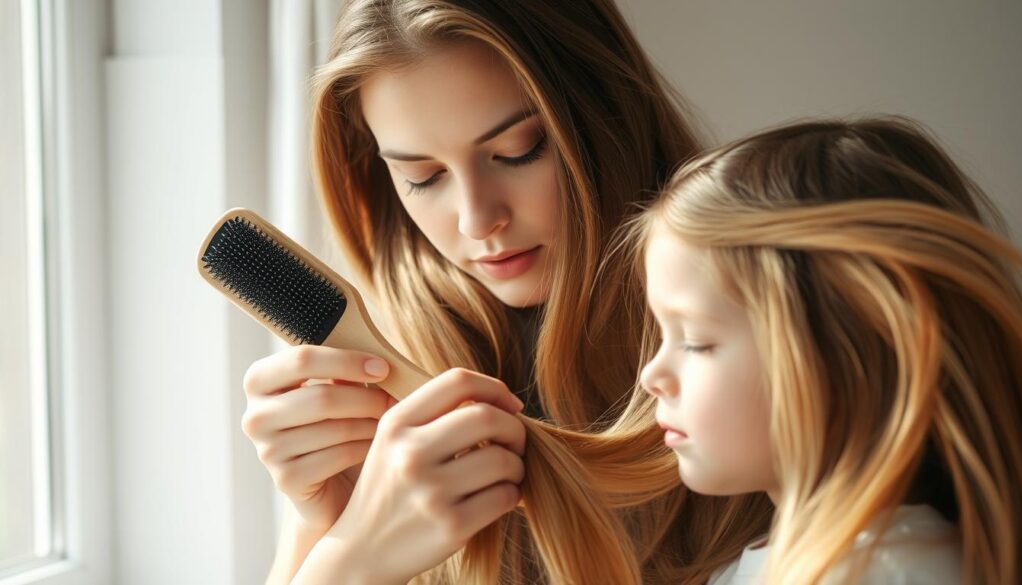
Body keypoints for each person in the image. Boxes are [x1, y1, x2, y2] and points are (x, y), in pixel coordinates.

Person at [241, 1, 771, 583]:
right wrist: (326, 530)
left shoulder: (760, 341)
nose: (476, 219)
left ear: (606, 118)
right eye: (423, 177)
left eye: (519, 151)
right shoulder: (383, 375)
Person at [634, 117, 1022, 584]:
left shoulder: (892, 573)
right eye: (664, 333)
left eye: (696, 340)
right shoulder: (763, 565)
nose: (651, 374)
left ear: (844, 361)